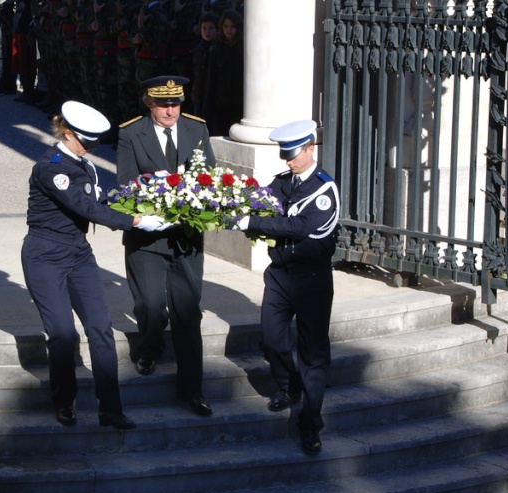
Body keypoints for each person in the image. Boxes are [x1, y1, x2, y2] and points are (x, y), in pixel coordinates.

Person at [22, 100, 168, 431]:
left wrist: (139, 186)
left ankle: (111, 409)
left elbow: (98, 198)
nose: (90, 148)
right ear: (67, 133)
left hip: (77, 252)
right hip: (45, 254)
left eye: (93, 143)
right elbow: (85, 207)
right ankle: (64, 401)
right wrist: (136, 221)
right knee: (61, 333)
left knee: (101, 329)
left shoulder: (83, 165)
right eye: (85, 142)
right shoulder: (51, 168)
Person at [231, 120, 339, 454]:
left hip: (311, 279)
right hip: (279, 274)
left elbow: (298, 226)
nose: (287, 160)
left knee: (313, 355)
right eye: (285, 154)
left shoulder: (324, 189)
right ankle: (288, 385)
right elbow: (262, 200)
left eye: (293, 154)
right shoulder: (283, 182)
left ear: (311, 149)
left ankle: (310, 424)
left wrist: (253, 222)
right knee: (271, 339)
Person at [116, 75, 215, 418]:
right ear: (149, 102)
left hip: (186, 238)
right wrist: (152, 194)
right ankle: (150, 346)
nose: (171, 110)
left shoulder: (196, 130)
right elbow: (125, 183)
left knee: (188, 313)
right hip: (147, 237)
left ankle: (193, 389)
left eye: (176, 103)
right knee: (151, 305)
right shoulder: (131, 133)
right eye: (163, 104)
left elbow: (209, 176)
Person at [202, 9, 243, 135]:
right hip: (220, 102)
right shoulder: (216, 49)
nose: (229, 30)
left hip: (238, 101)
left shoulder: (243, 48)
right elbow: (211, 79)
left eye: (232, 26)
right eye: (226, 26)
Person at [189, 11, 218, 117]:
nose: (207, 32)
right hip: (198, 95)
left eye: (211, 28)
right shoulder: (197, 50)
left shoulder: (218, 49)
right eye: (204, 28)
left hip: (215, 96)